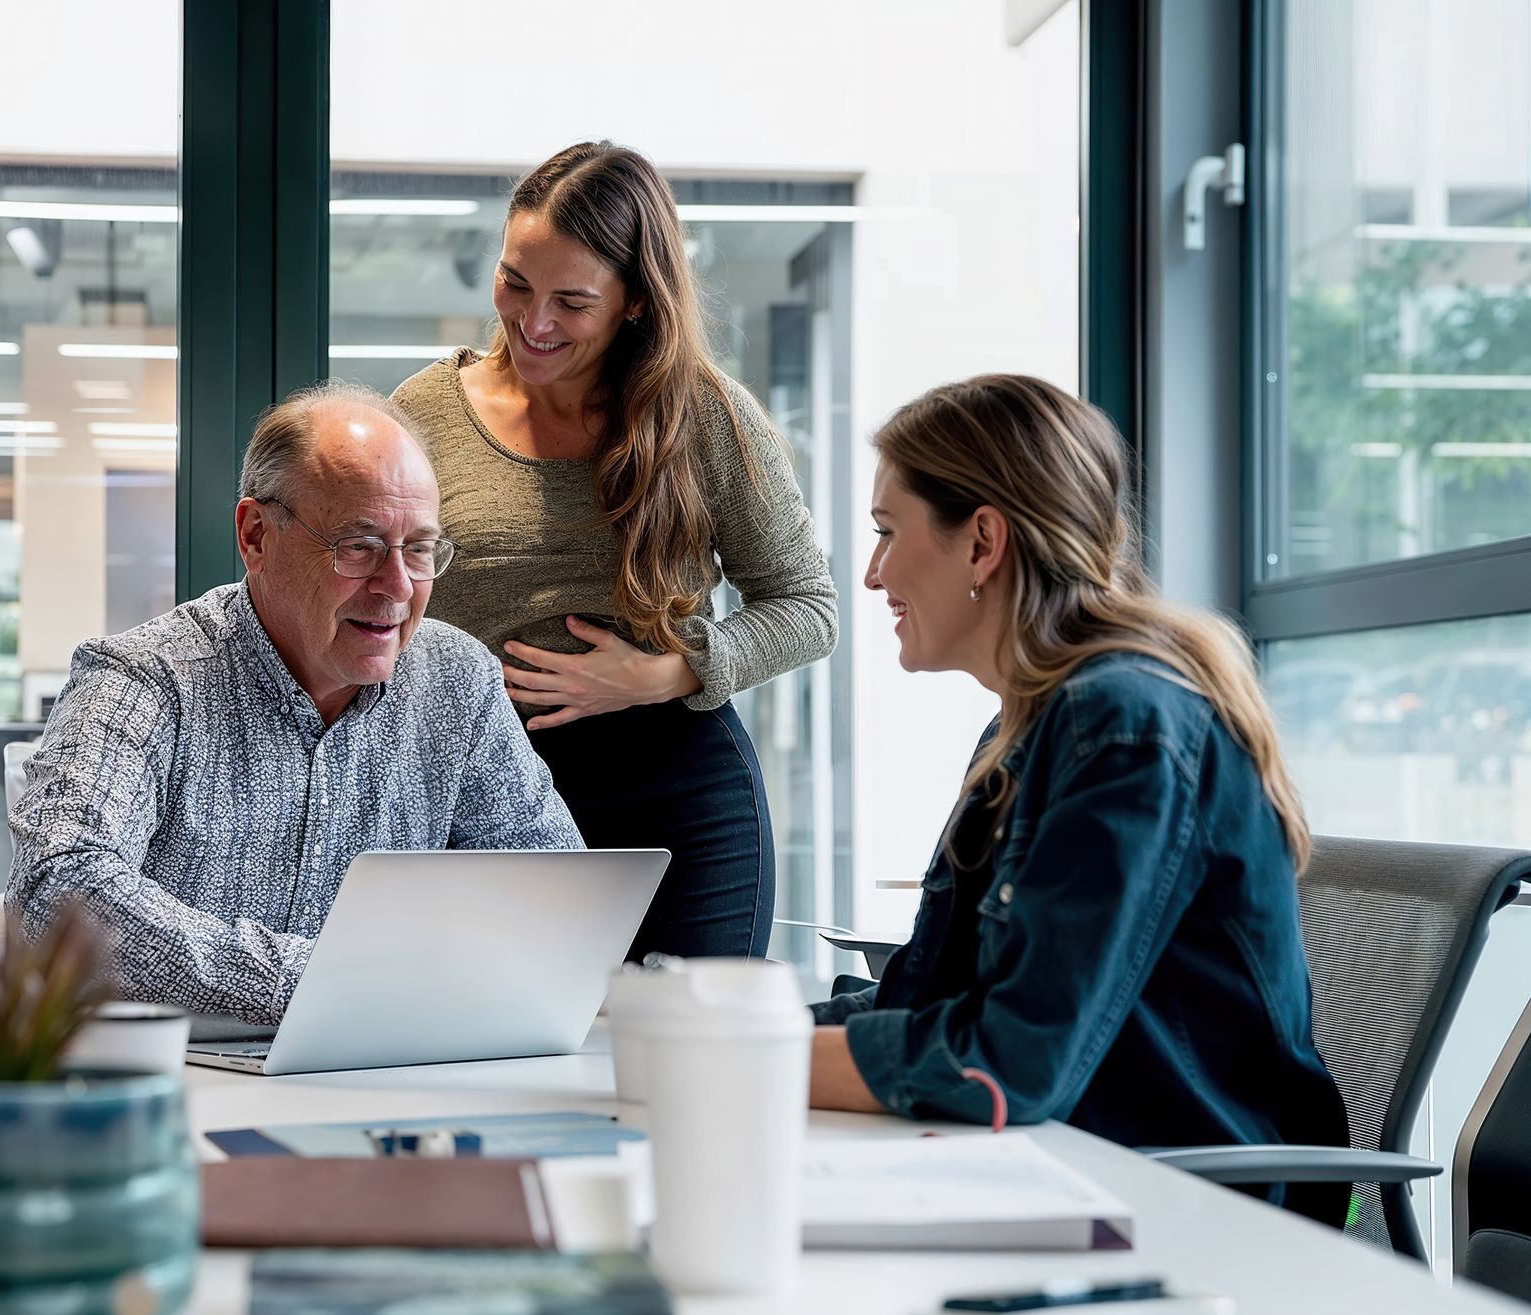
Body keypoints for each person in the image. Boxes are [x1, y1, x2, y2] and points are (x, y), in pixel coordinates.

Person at [807, 373, 1350, 1223]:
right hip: (1064, 1163)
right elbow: (930, 997)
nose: (873, 575)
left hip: (1182, 1207)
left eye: (886, 532)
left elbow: (1007, 1064)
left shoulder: (1125, 726)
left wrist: (744, 1058)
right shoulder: (1024, 729)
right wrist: (719, 1020)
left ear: (982, 541)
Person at [7, 383, 582, 1025]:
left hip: (393, 1072)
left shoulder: (458, 682)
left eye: (419, 549)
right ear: (256, 536)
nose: (397, 587)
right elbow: (55, 893)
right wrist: (330, 982)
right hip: (182, 1083)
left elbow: (553, 898)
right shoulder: (144, 680)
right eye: (358, 545)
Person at [392, 140, 838, 963]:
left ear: (634, 300)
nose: (534, 322)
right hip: (482, 799)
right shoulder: (422, 413)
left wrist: (662, 673)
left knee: (685, 1062)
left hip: (680, 799)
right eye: (515, 283)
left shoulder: (703, 416)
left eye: (572, 301)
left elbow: (809, 607)